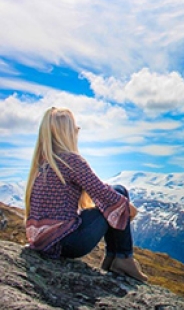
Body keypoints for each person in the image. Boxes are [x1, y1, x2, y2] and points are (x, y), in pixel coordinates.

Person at [24, 107, 147, 282]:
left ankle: (115, 259)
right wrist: (128, 208)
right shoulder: (71, 160)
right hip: (67, 242)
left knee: (114, 196)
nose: (77, 130)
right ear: (67, 132)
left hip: (43, 242)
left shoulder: (42, 164)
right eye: (74, 127)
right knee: (119, 191)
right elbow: (104, 193)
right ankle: (123, 258)